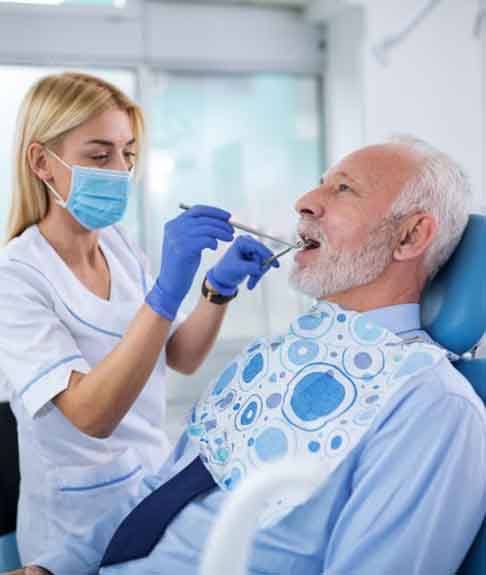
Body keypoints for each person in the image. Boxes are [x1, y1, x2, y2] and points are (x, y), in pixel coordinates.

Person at [9, 136, 486, 575]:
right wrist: (56, 566)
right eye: (321, 182)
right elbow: (161, 489)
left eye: (343, 189)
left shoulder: (431, 407)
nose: (305, 201)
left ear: (409, 237)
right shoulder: (278, 354)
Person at [0, 72, 278, 572]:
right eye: (98, 155)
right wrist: (166, 293)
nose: (120, 170)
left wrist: (218, 288)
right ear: (42, 162)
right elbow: (92, 415)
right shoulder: (15, 278)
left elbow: (181, 356)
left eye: (128, 153)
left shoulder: (119, 245)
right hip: (72, 523)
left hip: (148, 492)